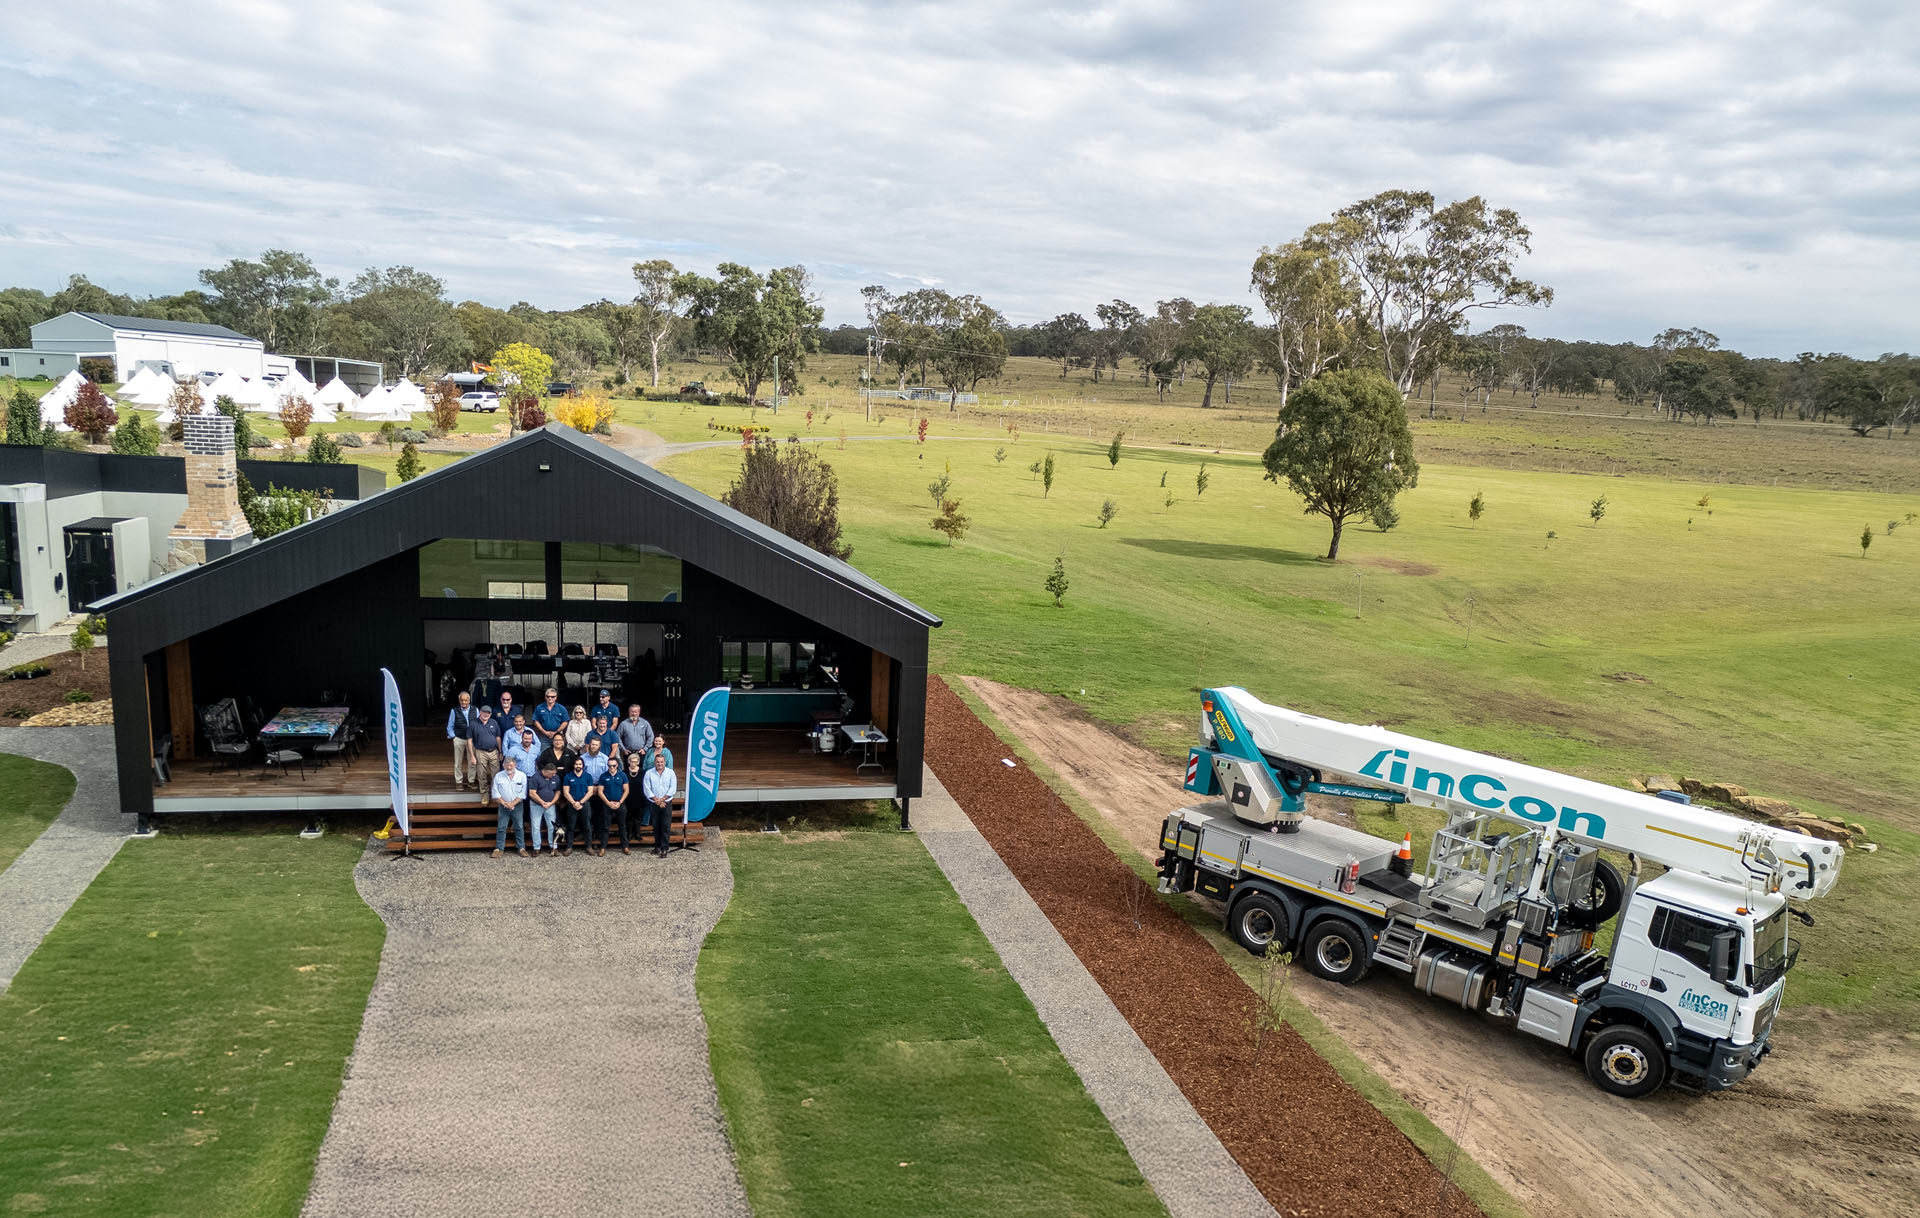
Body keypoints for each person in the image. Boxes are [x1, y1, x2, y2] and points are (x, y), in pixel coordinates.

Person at [491, 755, 528, 858]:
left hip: (518, 805)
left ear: (515, 765)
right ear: (503, 765)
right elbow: (495, 792)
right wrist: (504, 803)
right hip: (503, 806)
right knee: (501, 827)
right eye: (507, 765)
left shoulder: (522, 775)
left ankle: (521, 848)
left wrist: (513, 803)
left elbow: (523, 793)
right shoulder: (498, 776)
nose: (509, 768)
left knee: (519, 827)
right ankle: (499, 848)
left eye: (511, 765)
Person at [643, 748, 677, 857]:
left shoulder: (671, 773)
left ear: (665, 762)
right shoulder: (649, 773)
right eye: (658, 762)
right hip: (654, 803)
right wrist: (656, 800)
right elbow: (647, 788)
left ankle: (664, 848)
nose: (660, 764)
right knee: (656, 825)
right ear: (655, 762)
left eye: (661, 762)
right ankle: (657, 846)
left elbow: (672, 788)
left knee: (665, 826)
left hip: (666, 803)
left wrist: (662, 799)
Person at [561, 754, 597, 858]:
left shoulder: (588, 776)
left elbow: (590, 792)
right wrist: (574, 803)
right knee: (570, 826)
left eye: (580, 764)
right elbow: (566, 792)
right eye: (576, 764)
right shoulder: (568, 777)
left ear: (583, 765)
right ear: (574, 765)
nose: (578, 766)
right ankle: (569, 847)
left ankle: (589, 846)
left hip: (584, 804)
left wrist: (581, 802)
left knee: (587, 826)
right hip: (572, 804)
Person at [598, 746, 630, 855]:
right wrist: (608, 803)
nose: (611, 767)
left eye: (614, 765)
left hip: (620, 803)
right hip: (607, 804)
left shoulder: (622, 775)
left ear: (617, 765)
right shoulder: (603, 776)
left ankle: (625, 846)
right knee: (605, 827)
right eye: (609, 766)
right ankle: (603, 847)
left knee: (622, 826)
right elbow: (600, 791)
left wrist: (620, 802)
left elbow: (626, 790)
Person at [526, 758, 561, 855]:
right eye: (551, 774)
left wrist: (552, 802)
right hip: (536, 805)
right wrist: (542, 802)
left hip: (550, 805)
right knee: (536, 826)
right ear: (546, 771)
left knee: (552, 826)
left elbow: (558, 792)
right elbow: (532, 793)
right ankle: (536, 847)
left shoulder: (556, 778)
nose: (553, 776)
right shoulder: (535, 777)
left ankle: (553, 846)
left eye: (554, 774)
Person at [470, 704, 505, 797]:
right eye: (484, 712)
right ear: (480, 712)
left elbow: (498, 737)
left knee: (496, 774)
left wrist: (500, 751)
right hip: (480, 752)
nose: (486, 714)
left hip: (494, 752)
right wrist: (472, 756)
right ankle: (484, 794)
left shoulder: (494, 722)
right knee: (482, 774)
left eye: (488, 713)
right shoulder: (473, 723)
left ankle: (495, 793)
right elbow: (469, 740)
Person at [446, 691, 478, 789]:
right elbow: (450, 726)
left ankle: (471, 781)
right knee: (458, 762)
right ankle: (458, 782)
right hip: (459, 738)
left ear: (469, 700)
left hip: (471, 739)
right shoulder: (454, 710)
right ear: (459, 701)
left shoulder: (475, 709)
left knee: (472, 761)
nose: (464, 702)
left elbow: (478, 724)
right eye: (462, 700)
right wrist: (454, 737)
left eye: (466, 700)